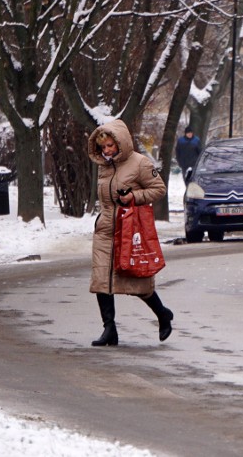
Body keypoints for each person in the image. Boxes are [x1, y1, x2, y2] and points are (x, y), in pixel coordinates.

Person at [87, 119, 174, 346]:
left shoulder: (140, 163)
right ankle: (109, 329)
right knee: (102, 279)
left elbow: (159, 189)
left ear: (120, 143)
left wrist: (133, 197)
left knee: (138, 281)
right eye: (103, 147)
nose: (106, 151)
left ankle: (162, 314)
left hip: (129, 228)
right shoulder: (104, 166)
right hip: (106, 228)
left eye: (110, 146)